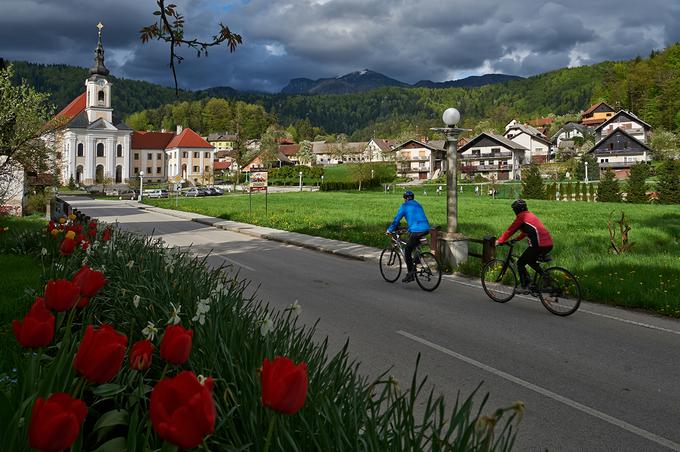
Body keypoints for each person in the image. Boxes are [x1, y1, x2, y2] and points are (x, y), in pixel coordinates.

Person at [496, 199, 553, 294]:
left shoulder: (521, 217)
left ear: (516, 210)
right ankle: (546, 278)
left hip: (538, 244)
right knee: (530, 260)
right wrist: (516, 239)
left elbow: (510, 231)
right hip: (548, 244)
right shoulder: (530, 215)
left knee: (520, 263)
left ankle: (524, 286)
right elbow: (526, 232)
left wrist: (499, 241)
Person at [387, 190, 431, 283]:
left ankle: (410, 274)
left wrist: (390, 230)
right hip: (426, 229)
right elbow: (416, 218)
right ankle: (417, 259)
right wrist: (408, 228)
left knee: (407, 250)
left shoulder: (404, 206)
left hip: (416, 230)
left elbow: (396, 219)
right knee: (414, 244)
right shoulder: (418, 205)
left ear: (405, 198)